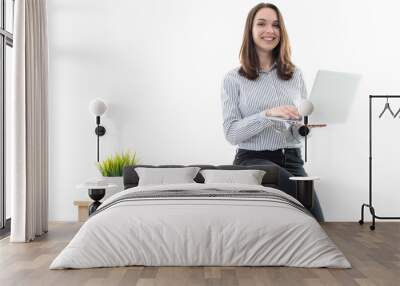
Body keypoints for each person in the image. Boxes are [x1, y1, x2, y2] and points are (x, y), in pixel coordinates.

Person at [221, 2, 324, 221]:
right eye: (262, 24)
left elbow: (296, 129)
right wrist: (268, 115)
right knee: (297, 196)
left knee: (317, 220)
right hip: (253, 160)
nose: (270, 31)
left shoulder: (295, 74)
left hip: (292, 159)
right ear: (250, 30)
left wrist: (304, 128)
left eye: (276, 25)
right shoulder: (233, 78)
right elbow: (231, 133)